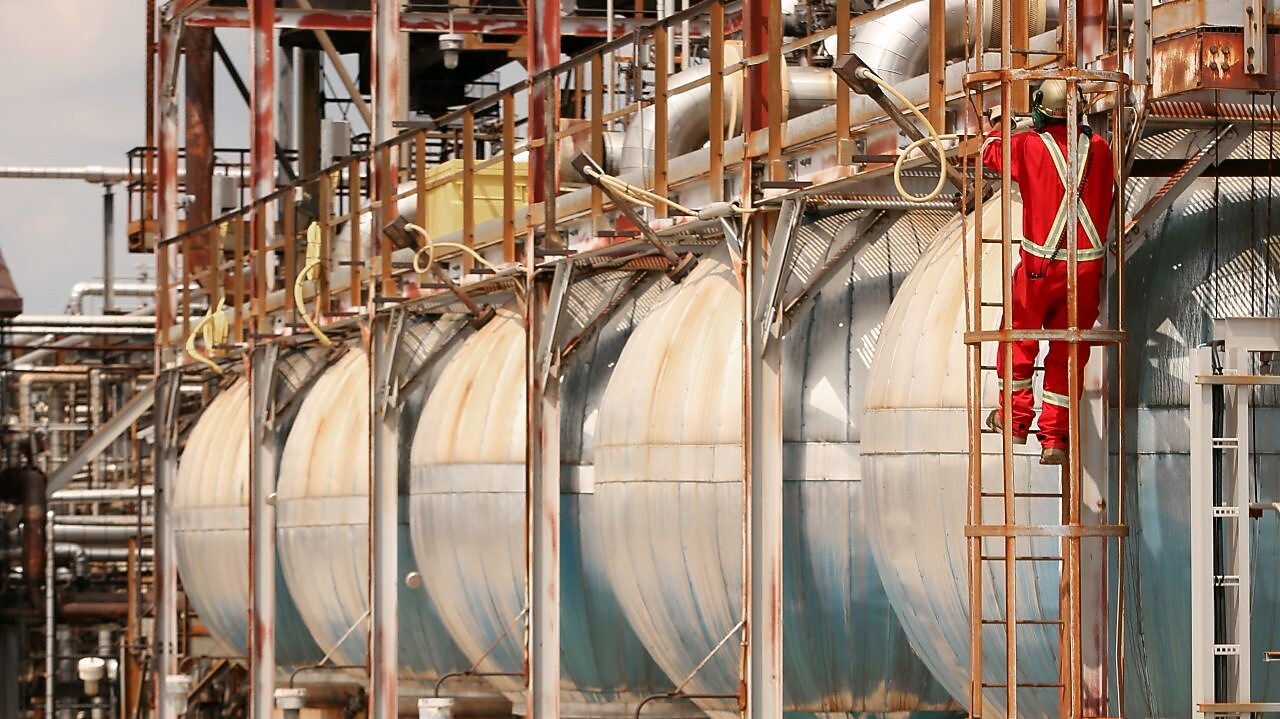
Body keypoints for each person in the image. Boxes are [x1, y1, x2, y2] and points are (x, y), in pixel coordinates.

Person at [981, 79, 1115, 466]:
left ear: (1041, 109)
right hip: (1086, 272)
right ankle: (1054, 437)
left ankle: (1015, 420)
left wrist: (1000, 123)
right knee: (1069, 349)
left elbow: (991, 152)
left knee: (1019, 338)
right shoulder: (1101, 150)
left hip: (1041, 269)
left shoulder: (1029, 146)